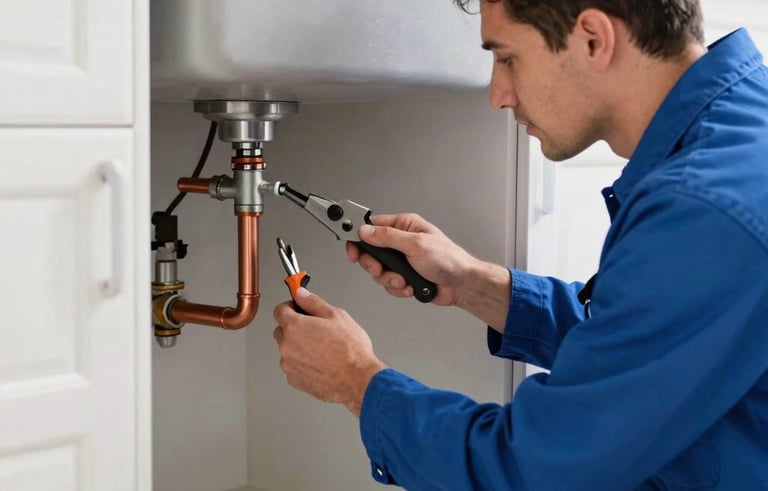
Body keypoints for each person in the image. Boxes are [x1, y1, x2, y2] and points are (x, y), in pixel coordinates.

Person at [272, 0, 768, 489]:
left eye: (507, 58)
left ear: (594, 39)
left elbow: (540, 469)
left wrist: (356, 381)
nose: (498, 94)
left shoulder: (703, 210)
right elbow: (646, 354)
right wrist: (472, 283)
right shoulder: (740, 133)